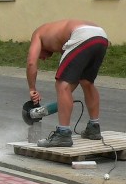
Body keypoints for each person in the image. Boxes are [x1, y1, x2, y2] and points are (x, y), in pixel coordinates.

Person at [26, 19, 109, 147]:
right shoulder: (57, 33)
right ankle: (94, 127)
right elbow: (74, 79)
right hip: (100, 35)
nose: (42, 59)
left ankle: (63, 134)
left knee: (62, 85)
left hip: (82, 34)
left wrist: (32, 88)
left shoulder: (38, 33)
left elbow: (31, 62)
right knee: (87, 82)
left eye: (40, 55)